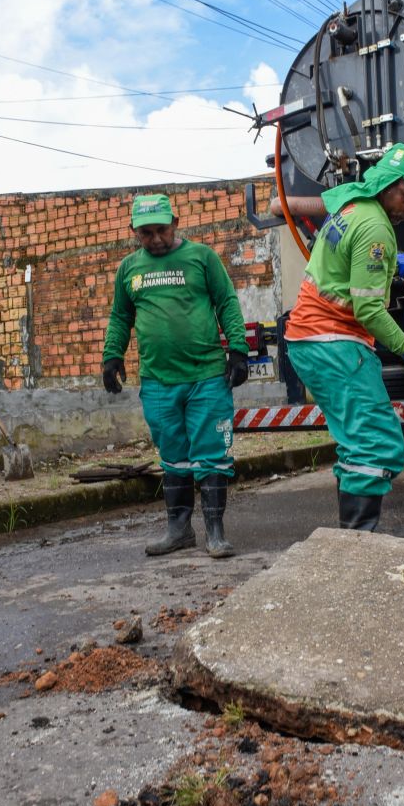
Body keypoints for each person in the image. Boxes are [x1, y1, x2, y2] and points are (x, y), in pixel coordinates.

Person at [285, 143, 404, 532]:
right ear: (388, 183)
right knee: (375, 440)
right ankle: (359, 543)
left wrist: (397, 262)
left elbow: (345, 268)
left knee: (355, 440)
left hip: (309, 337)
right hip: (333, 340)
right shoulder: (376, 227)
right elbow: (369, 310)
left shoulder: (353, 206)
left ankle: (352, 541)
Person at [102, 193, 249, 558]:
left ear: (176, 222)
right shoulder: (129, 269)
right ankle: (179, 530)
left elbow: (226, 301)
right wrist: (112, 355)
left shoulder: (202, 258)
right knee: (174, 456)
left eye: (161, 230)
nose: (155, 239)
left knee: (212, 454)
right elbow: (121, 317)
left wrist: (238, 349)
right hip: (158, 382)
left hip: (207, 377)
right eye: (146, 233)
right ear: (134, 232)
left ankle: (215, 532)